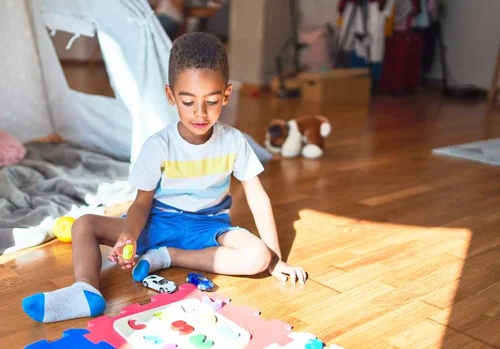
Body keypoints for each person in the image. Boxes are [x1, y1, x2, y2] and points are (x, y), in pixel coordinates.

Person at [22, 32, 307, 323]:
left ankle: (167, 256)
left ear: (226, 95)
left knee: (259, 257)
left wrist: (276, 259)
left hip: (208, 228)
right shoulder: (158, 145)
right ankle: (86, 289)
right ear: (171, 96)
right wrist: (128, 235)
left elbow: (257, 195)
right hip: (157, 224)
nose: (200, 113)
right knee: (84, 224)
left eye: (211, 101)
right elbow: (141, 202)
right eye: (188, 101)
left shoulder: (234, 141)